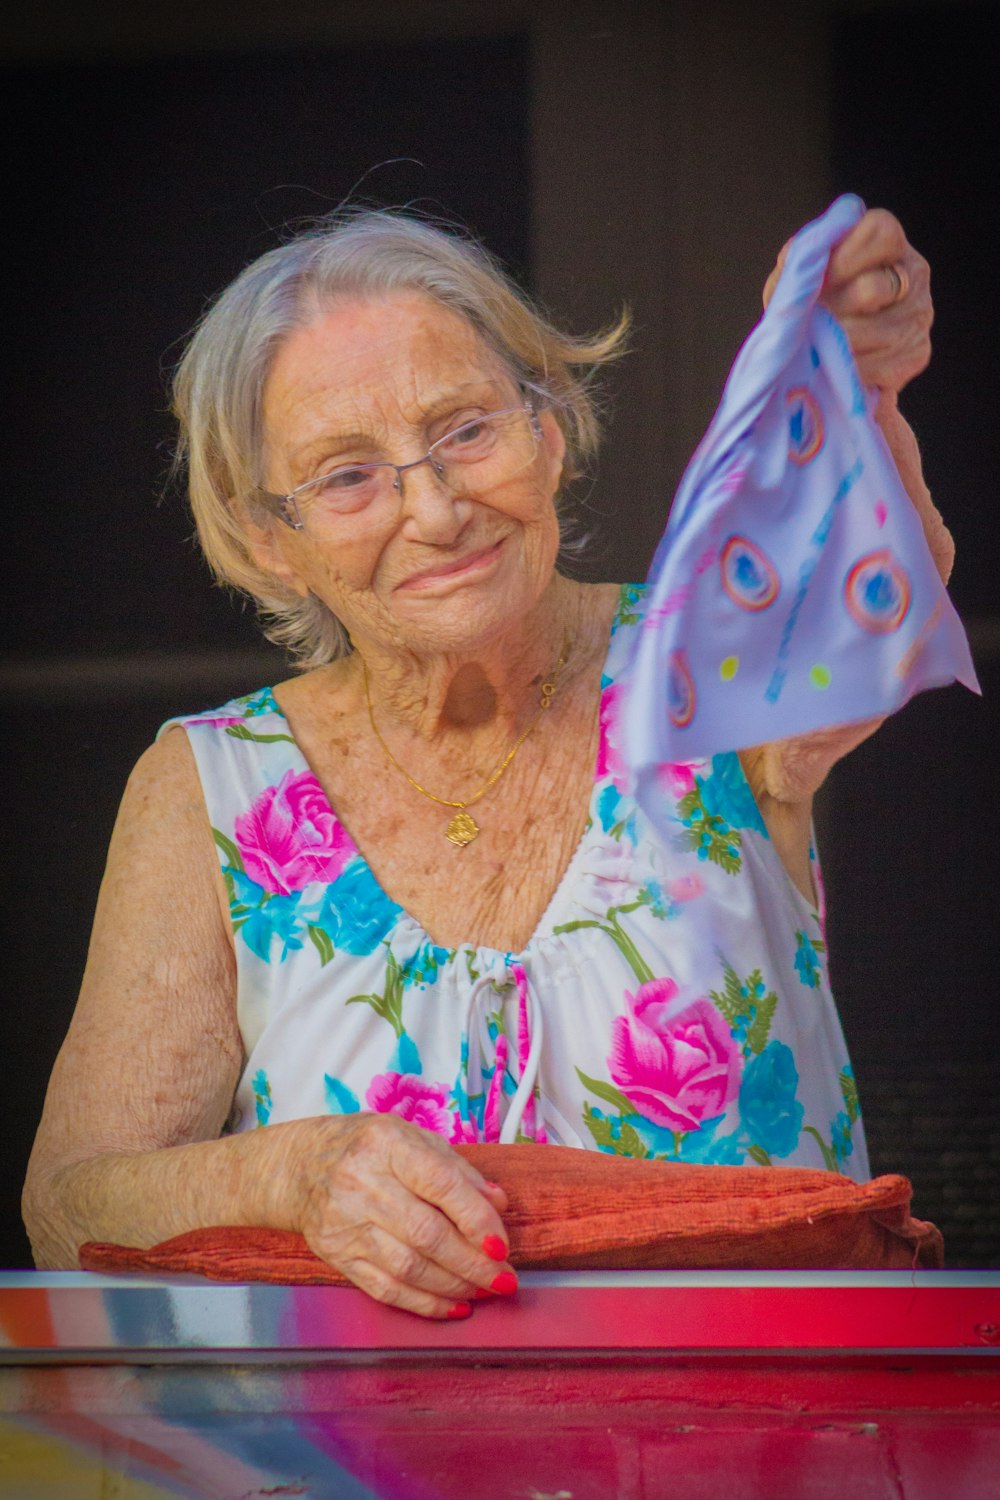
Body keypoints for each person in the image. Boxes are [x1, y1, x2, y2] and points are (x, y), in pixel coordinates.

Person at [23, 205, 946, 1319]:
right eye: (347, 477)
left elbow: (877, 602)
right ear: (270, 536)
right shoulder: (210, 791)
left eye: (465, 430)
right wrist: (288, 1177)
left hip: (764, 1449)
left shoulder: (698, 665)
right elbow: (71, 1209)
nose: (435, 508)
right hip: (356, 1476)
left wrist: (859, 393)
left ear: (550, 430)